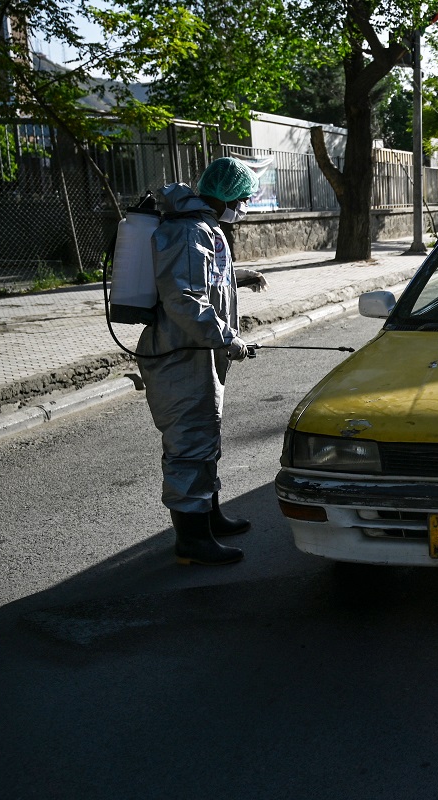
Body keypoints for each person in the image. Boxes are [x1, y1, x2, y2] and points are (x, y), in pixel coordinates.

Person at [136, 156, 265, 566]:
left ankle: (209, 515)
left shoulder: (205, 229)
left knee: (205, 436)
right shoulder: (189, 231)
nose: (243, 208)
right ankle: (191, 539)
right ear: (224, 196)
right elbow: (184, 299)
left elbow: (204, 279)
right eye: (242, 199)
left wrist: (241, 275)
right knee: (189, 443)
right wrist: (228, 338)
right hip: (180, 356)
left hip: (196, 354)